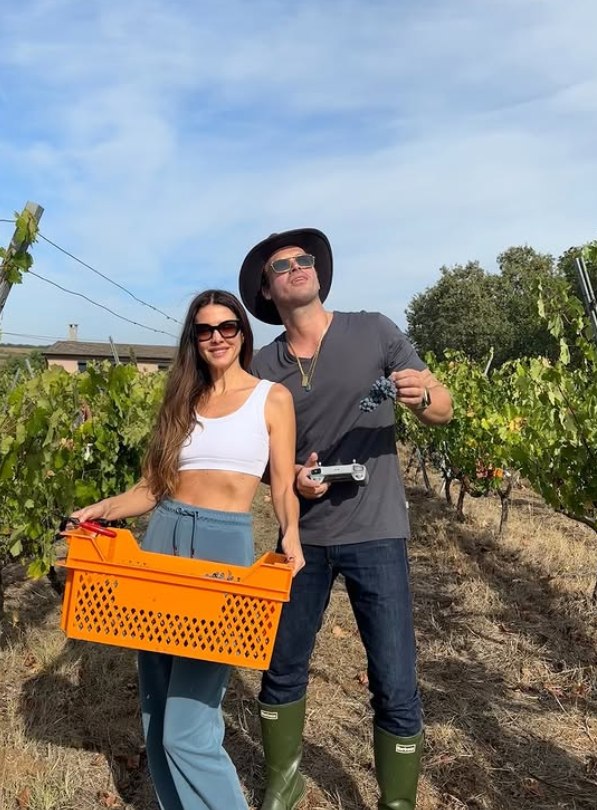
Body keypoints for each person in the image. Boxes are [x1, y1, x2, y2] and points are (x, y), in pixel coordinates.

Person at [238, 230, 453, 810]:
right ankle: (284, 784)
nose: (296, 267)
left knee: (395, 679)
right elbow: (259, 457)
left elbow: (443, 406)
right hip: (301, 537)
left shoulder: (374, 331)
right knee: (282, 666)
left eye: (303, 259)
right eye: (281, 265)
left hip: (376, 532)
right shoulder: (262, 367)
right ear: (267, 290)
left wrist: (421, 396)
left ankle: (397, 802)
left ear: (317, 272)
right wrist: (291, 477)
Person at [71, 289, 304, 810]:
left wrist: (291, 532)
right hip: (164, 540)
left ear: (242, 333)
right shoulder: (182, 401)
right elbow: (152, 488)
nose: (216, 337)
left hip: (223, 550)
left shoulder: (272, 398)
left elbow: (283, 486)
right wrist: (102, 508)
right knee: (156, 715)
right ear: (193, 339)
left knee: (189, 730)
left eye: (227, 327)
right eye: (204, 330)